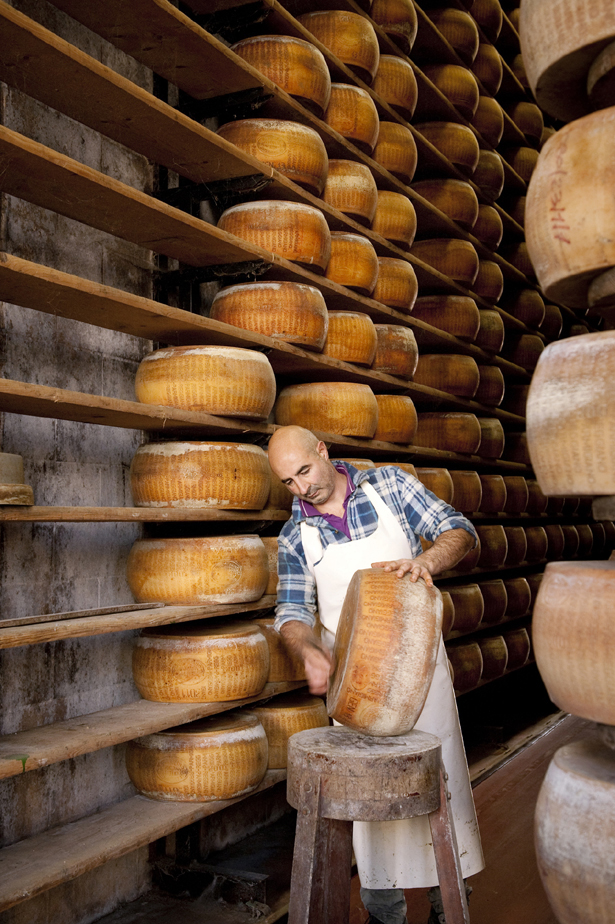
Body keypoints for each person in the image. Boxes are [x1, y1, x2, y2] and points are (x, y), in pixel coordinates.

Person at [269, 426, 484, 924]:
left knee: (439, 790)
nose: (302, 489)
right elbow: (291, 611)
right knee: (370, 811)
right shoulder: (293, 535)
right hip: (357, 691)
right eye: (288, 483)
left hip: (423, 674)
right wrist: (305, 650)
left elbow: (460, 530)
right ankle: (385, 914)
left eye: (304, 471)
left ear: (323, 452)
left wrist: (425, 561)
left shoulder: (389, 485)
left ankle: (445, 908)